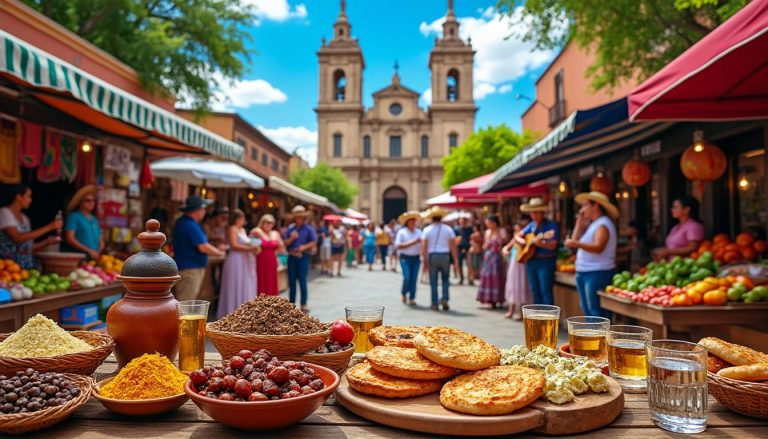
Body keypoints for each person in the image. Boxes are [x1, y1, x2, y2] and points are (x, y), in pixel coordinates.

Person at [565, 192, 619, 317]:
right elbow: (574, 241)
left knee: (595, 312)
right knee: (588, 310)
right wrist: (579, 223)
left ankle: (599, 337)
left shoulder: (603, 224)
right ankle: (594, 336)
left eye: (585, 205)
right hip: (586, 271)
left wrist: (577, 244)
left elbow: (598, 247)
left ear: (596, 205)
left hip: (597, 272)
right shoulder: (594, 224)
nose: (582, 209)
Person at [172, 195, 225, 301]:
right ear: (197, 210)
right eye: (203, 209)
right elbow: (203, 246)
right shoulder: (189, 224)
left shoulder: (185, 222)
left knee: (186, 302)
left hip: (188, 268)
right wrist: (219, 252)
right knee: (186, 303)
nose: (205, 212)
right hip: (189, 269)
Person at [0, 184, 63, 269]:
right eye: (29, 196)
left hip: (26, 266)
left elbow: (29, 247)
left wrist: (47, 242)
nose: (31, 200)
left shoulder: (25, 219)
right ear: (19, 196)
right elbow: (17, 238)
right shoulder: (5, 212)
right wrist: (50, 227)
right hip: (8, 267)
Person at [515, 198, 560, 305]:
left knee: (545, 290)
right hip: (532, 260)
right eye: (532, 212)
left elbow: (553, 246)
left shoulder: (551, 226)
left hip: (545, 260)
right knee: (534, 290)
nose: (533, 215)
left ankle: (549, 318)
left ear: (541, 212)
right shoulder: (531, 225)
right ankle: (538, 317)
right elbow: (518, 236)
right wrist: (524, 242)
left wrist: (540, 243)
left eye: (535, 212)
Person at [217, 209, 260, 318]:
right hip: (236, 259)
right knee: (235, 283)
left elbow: (245, 242)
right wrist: (250, 248)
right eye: (242, 219)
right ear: (237, 219)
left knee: (244, 283)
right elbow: (234, 245)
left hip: (245, 260)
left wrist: (252, 246)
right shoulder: (232, 229)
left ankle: (244, 311)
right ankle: (232, 311)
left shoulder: (243, 230)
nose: (243, 221)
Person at [421, 207, 459, 311]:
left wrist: (424, 260)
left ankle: (434, 303)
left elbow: (424, 247)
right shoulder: (448, 229)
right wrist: (455, 259)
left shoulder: (427, 229)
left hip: (432, 256)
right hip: (445, 256)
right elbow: (453, 245)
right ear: (441, 218)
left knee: (433, 280)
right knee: (445, 279)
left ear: (431, 218)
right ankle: (445, 298)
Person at [283, 205, 317, 311]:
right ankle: (291, 304)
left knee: (302, 280)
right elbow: (284, 243)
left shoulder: (308, 229)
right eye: (297, 217)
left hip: (303, 257)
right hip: (292, 257)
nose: (299, 218)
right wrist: (292, 238)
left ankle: (303, 303)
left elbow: (313, 242)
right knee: (291, 280)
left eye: (301, 217)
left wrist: (303, 248)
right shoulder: (290, 229)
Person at [653, 196, 704, 260]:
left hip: (685, 266)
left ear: (686, 210)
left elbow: (693, 248)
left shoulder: (693, 226)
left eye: (675, 207)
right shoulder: (675, 228)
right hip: (672, 265)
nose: (672, 210)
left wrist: (668, 252)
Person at [502, 216, 532, 319]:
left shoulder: (527, 237)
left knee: (521, 286)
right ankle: (511, 309)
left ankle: (520, 312)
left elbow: (524, 244)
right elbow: (506, 247)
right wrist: (506, 250)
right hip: (513, 264)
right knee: (512, 285)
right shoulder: (516, 237)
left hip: (522, 264)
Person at [63, 185, 103, 261]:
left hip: (94, 256)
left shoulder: (94, 219)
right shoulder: (74, 217)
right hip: (80, 257)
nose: (92, 203)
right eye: (88, 200)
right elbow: (70, 238)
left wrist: (98, 251)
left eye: (93, 200)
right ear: (80, 202)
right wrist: (89, 251)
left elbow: (100, 238)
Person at [477, 215, 508, 309]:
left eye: (489, 223)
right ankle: (489, 299)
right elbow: (484, 245)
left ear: (494, 223)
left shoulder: (502, 231)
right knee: (488, 277)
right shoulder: (487, 232)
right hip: (488, 257)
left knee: (497, 277)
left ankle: (498, 298)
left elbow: (506, 241)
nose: (488, 225)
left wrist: (499, 242)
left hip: (498, 257)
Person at [251, 214, 283, 296]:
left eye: (271, 223)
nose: (269, 224)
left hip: (272, 261)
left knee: (271, 282)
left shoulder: (275, 233)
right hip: (260, 260)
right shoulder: (257, 231)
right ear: (262, 222)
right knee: (261, 282)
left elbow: (281, 246)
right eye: (267, 222)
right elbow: (250, 244)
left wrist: (277, 256)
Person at [395, 211, 422, 305]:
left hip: (416, 258)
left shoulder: (419, 232)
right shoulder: (402, 232)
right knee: (407, 277)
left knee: (414, 279)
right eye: (411, 222)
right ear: (407, 223)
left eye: (414, 222)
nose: (413, 224)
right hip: (405, 258)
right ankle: (404, 293)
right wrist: (413, 242)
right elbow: (398, 245)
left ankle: (412, 297)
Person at [453, 216, 474, 284]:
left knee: (469, 264)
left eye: (464, 222)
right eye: (461, 222)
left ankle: (470, 278)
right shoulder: (456, 229)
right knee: (459, 264)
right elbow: (454, 239)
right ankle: (461, 278)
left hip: (468, 248)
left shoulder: (470, 229)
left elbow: (472, 238)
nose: (463, 223)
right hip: (459, 248)